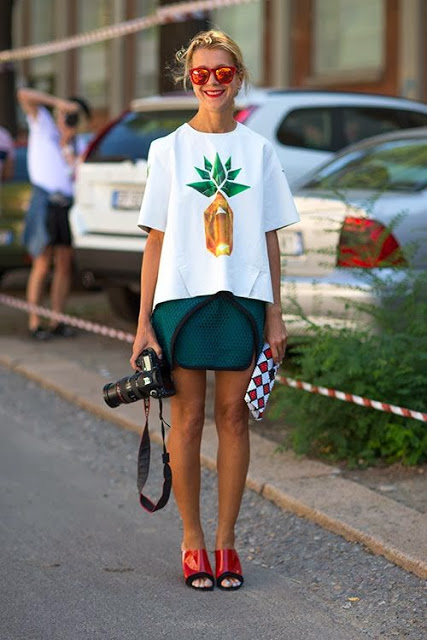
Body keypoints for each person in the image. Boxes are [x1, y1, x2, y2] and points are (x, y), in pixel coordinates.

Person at [130, 30, 299, 591]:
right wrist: (143, 323)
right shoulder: (168, 150)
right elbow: (155, 240)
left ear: (238, 78)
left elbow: (270, 236)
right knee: (188, 420)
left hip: (243, 299)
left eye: (222, 73)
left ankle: (227, 542)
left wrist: (275, 312)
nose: (211, 83)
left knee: (233, 418)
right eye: (201, 73)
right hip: (181, 300)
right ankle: (192, 540)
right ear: (189, 79)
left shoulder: (258, 150)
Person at [17, 88, 92, 339]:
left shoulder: (81, 143)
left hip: (67, 204)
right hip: (44, 200)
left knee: (64, 263)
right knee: (41, 262)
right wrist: (60, 102)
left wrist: (68, 144)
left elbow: (79, 174)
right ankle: (35, 321)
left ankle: (57, 320)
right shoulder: (44, 126)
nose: (67, 119)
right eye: (66, 113)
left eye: (73, 116)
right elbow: (23, 94)